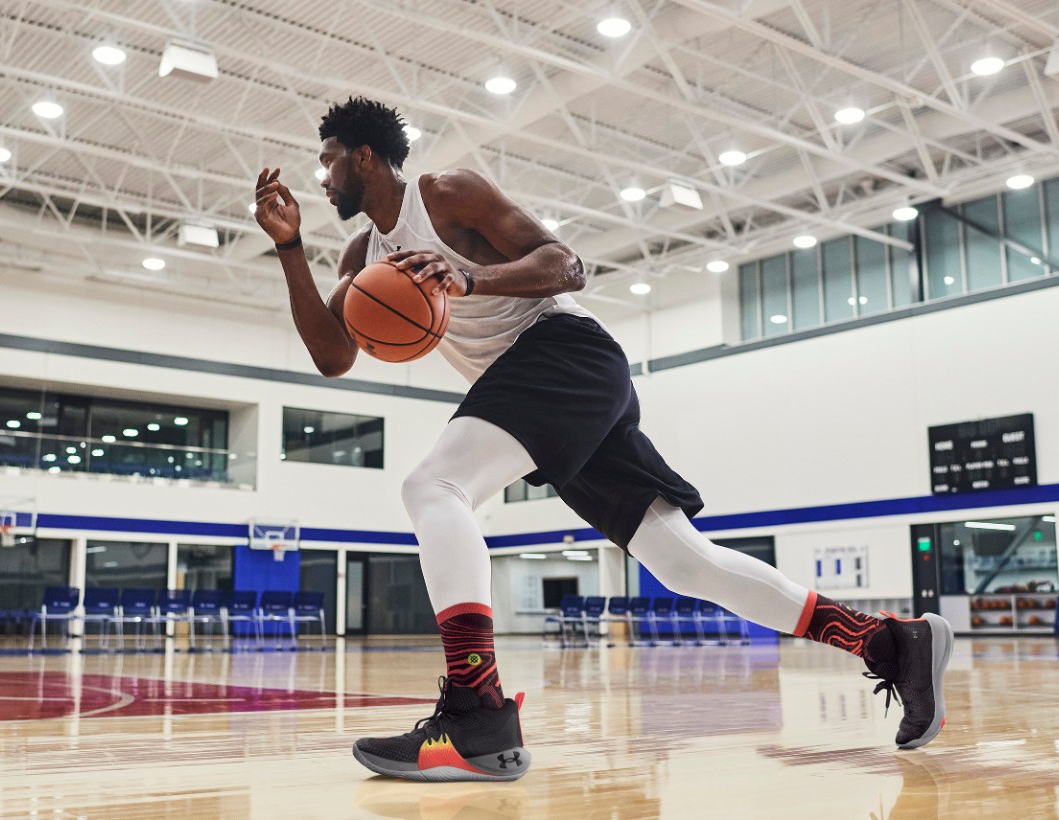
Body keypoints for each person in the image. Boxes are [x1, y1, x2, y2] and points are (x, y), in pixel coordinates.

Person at [254, 97, 954, 783]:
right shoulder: (362, 253)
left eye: (329, 161)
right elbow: (333, 355)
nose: (322, 178)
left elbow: (567, 264)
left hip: (564, 351)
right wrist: (289, 247)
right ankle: (889, 641)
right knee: (684, 564)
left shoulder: (444, 194)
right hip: (544, 390)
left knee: (432, 486)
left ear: (364, 156)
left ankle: (478, 709)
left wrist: (473, 277)